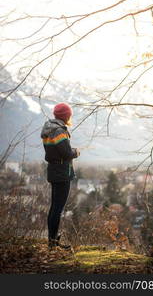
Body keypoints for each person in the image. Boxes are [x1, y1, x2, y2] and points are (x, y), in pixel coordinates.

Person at [41, 102, 80, 249]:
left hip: (53, 170)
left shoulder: (49, 129)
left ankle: (52, 241)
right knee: (58, 208)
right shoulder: (59, 131)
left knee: (54, 207)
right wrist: (76, 152)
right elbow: (66, 153)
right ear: (66, 116)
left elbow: (56, 151)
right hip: (62, 172)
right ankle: (53, 243)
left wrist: (69, 151)